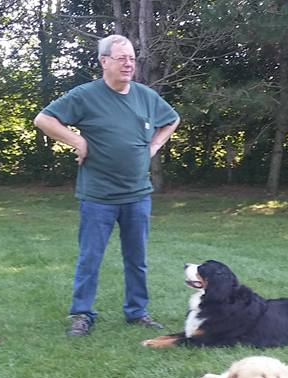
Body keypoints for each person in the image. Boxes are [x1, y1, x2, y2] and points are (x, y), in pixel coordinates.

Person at [34, 34, 180, 337]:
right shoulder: (85, 95)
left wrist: (154, 146)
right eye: (121, 58)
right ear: (104, 62)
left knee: (137, 259)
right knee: (90, 259)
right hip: (98, 197)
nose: (128, 64)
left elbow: (172, 120)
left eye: (132, 59)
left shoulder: (145, 96)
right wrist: (77, 140)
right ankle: (82, 314)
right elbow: (44, 119)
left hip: (137, 195)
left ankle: (137, 312)